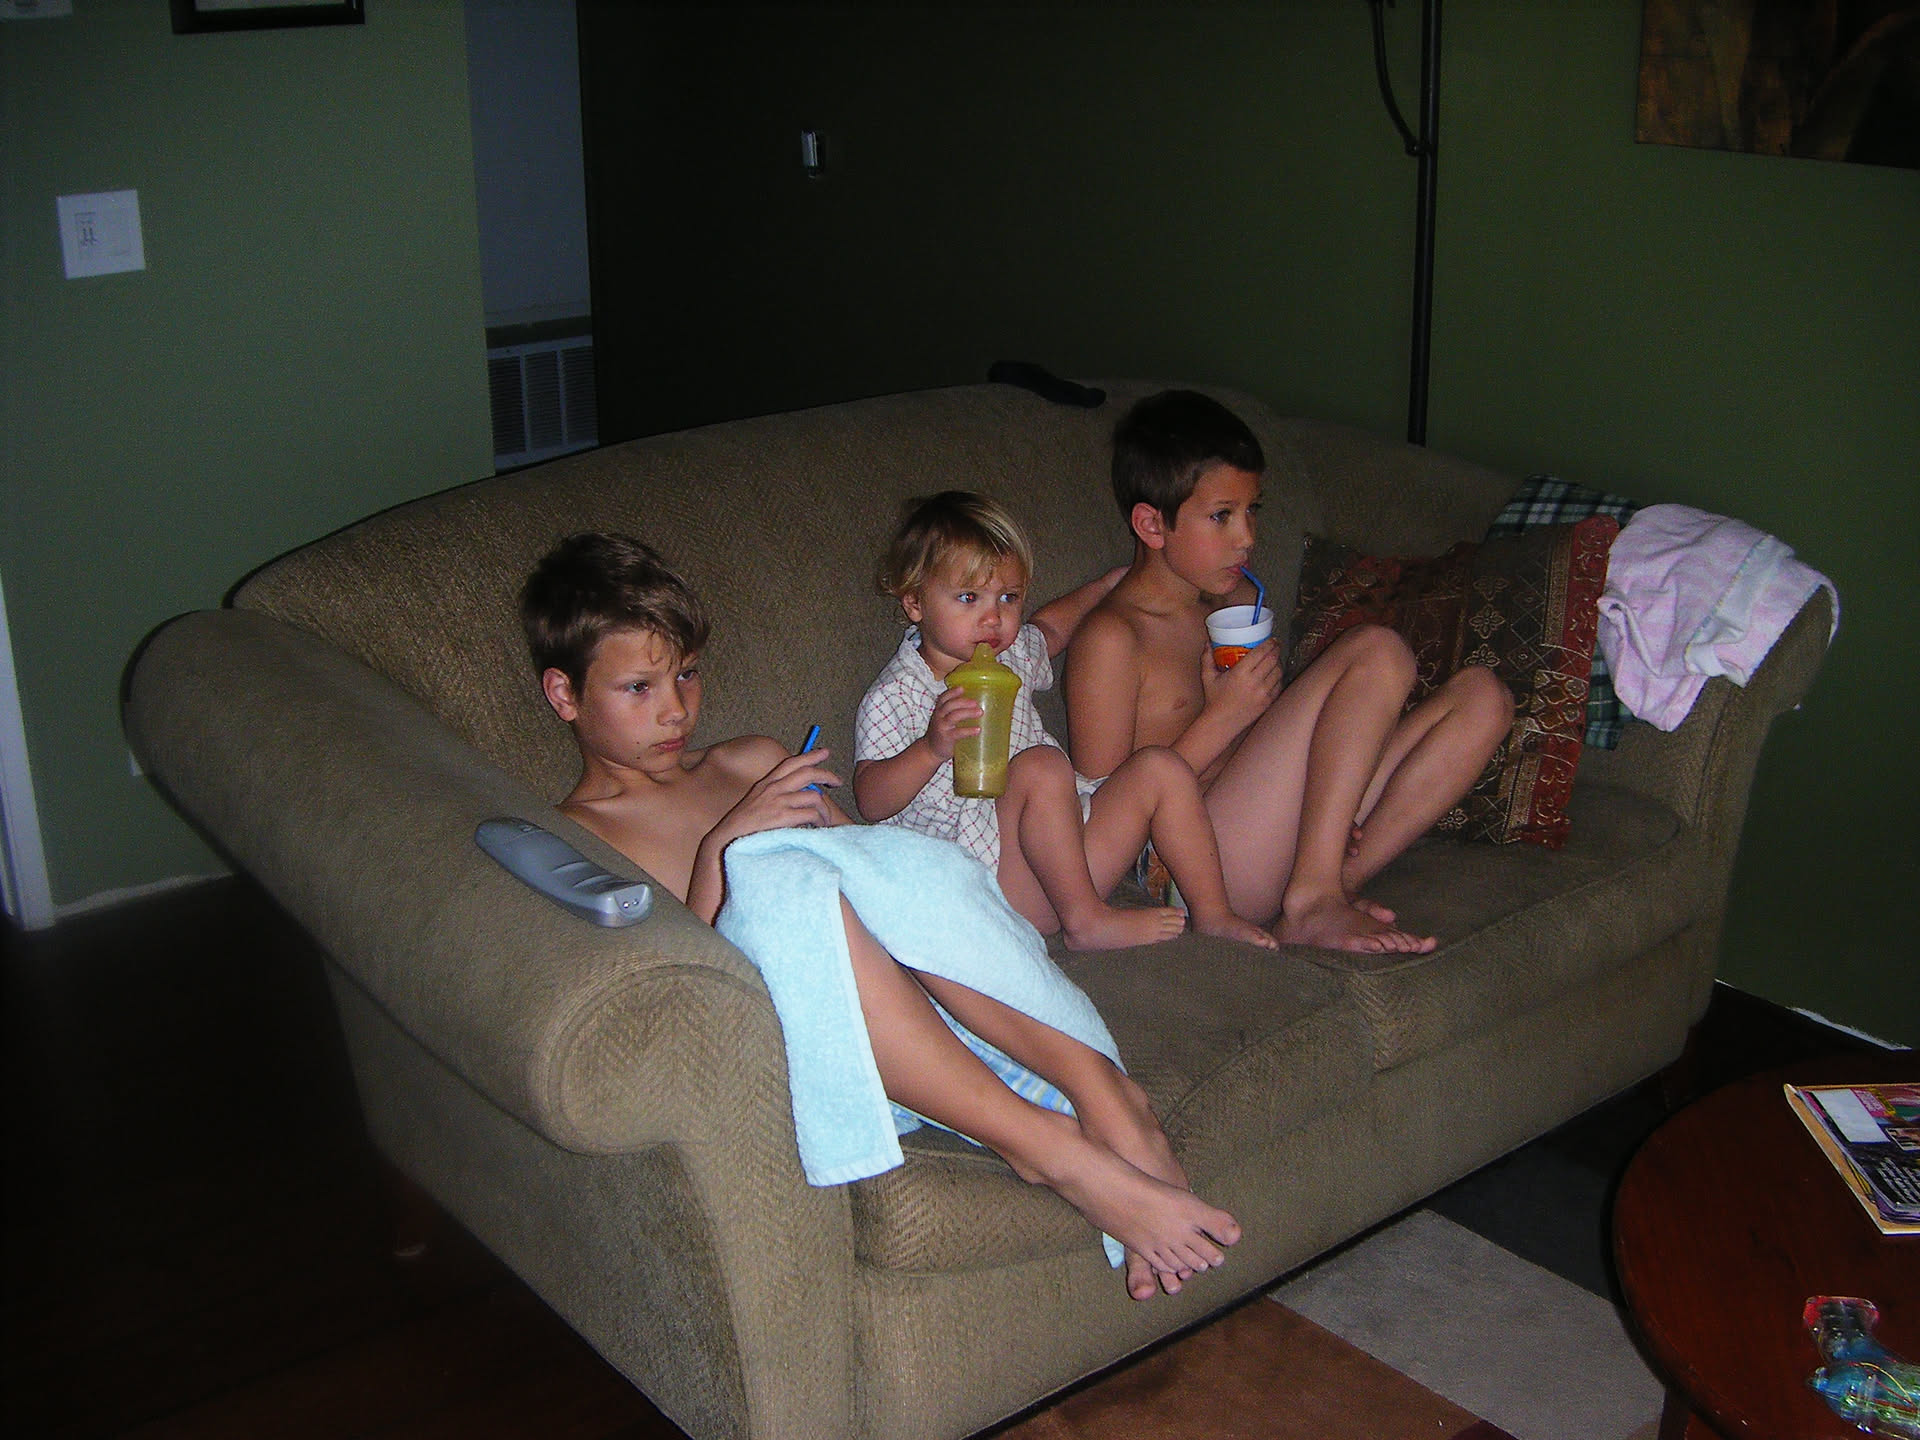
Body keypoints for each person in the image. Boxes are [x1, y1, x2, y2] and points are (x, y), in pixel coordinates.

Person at [520, 531, 1239, 1299]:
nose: (675, 711)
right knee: (778, 877)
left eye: (687, 675)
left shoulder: (751, 760)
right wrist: (726, 845)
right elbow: (688, 990)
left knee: (891, 862)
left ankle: (1099, 1090)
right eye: (639, 688)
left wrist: (806, 828)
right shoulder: (582, 838)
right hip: (827, 1022)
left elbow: (883, 875)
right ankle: (1046, 1146)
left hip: (934, 984)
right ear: (565, 695)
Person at [1065, 391, 1514, 955]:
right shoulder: (1113, 637)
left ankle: (1328, 884)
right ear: (1152, 525)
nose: (1247, 537)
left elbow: (1271, 751)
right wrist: (1226, 718)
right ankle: (1312, 898)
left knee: (1484, 698)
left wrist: (1312, 791)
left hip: (1263, 837)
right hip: (1187, 868)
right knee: (1376, 650)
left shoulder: (1228, 610)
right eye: (1222, 516)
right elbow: (1100, 816)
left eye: (1252, 510)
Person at [852, 492, 1277, 954]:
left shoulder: (1010, 655)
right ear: (915, 602)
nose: (993, 617)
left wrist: (1104, 587)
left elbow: (1051, 629)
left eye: (1009, 597)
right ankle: (1085, 921)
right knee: (1042, 766)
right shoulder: (897, 694)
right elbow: (871, 800)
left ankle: (1213, 913)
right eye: (969, 597)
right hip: (983, 883)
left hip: (1064, 860)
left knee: (1160, 766)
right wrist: (930, 748)